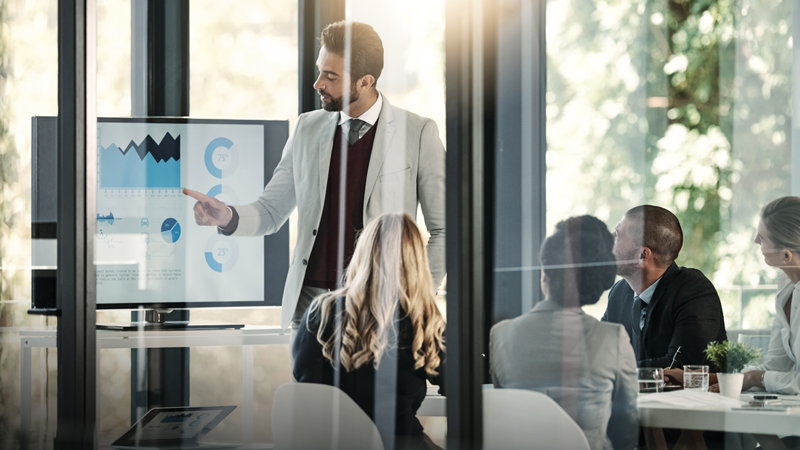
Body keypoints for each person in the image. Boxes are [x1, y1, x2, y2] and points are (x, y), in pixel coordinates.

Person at [184, 21, 446, 329]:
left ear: (365, 81)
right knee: (308, 381)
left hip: (381, 304)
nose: (317, 83)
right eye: (320, 70)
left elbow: (445, 232)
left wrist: (414, 296)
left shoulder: (417, 133)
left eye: (330, 76)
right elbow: (270, 211)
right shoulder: (307, 129)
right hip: (310, 304)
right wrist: (226, 215)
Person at [293, 212, 446, 450]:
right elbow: (462, 383)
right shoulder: (422, 320)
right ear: (417, 261)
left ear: (362, 254)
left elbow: (302, 380)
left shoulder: (320, 312)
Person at [490, 215, 638, 450]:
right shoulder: (613, 339)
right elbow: (627, 429)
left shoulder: (501, 335)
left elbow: (505, 413)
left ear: (544, 275)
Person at [665, 196, 800, 395]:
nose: (755, 241)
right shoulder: (787, 286)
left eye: (761, 239)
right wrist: (696, 378)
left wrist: (754, 378)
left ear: (786, 255)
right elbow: (775, 366)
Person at [601, 205, 727, 370]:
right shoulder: (619, 292)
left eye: (617, 235)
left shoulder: (694, 291)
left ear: (642, 255)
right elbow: (599, 352)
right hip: (634, 395)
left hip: (689, 396)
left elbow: (677, 367)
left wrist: (609, 369)